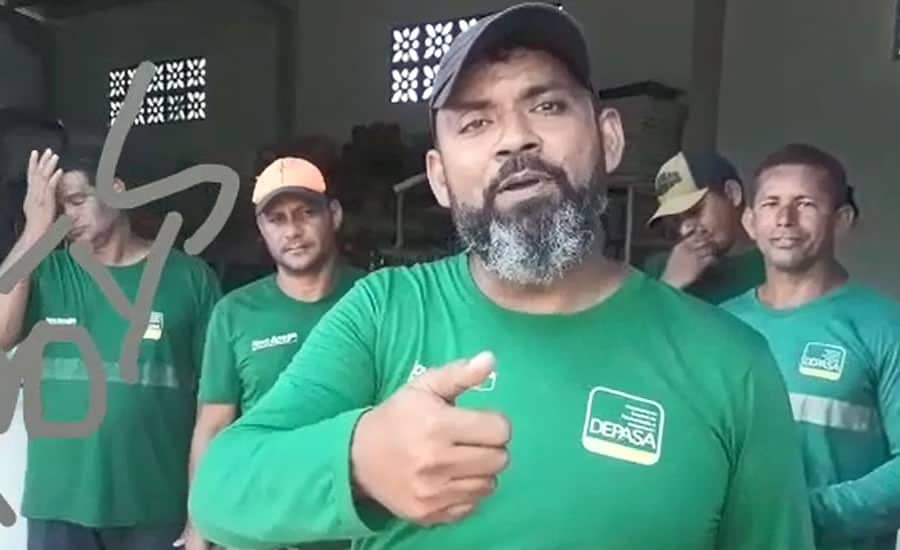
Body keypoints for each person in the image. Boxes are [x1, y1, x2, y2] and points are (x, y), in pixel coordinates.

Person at [188, 4, 815, 549]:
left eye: (547, 105)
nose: (516, 139)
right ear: (438, 177)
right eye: (475, 122)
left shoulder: (732, 364)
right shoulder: (385, 312)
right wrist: (359, 461)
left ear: (609, 138)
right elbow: (221, 488)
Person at [0, 143, 222, 550]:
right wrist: (34, 228)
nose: (67, 217)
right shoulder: (47, 273)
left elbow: (217, 405)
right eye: (58, 208)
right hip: (59, 506)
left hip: (156, 506)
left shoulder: (189, 280)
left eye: (76, 201)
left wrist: (200, 516)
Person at [722, 144, 900, 550]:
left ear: (841, 220)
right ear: (750, 221)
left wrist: (805, 515)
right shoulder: (719, 324)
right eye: (770, 204)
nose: (785, 219)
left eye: (805, 204)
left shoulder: (884, 327)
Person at [181, 157, 365, 550]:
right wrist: (198, 530)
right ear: (262, 230)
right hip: (259, 526)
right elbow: (213, 426)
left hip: (353, 527)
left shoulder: (374, 299)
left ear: (334, 215)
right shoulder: (234, 313)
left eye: (306, 213)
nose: (292, 231)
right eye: (276, 219)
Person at [642, 151, 764, 304]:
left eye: (694, 211)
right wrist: (669, 284)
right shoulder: (659, 268)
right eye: (675, 220)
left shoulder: (773, 263)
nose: (684, 230)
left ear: (732, 194)